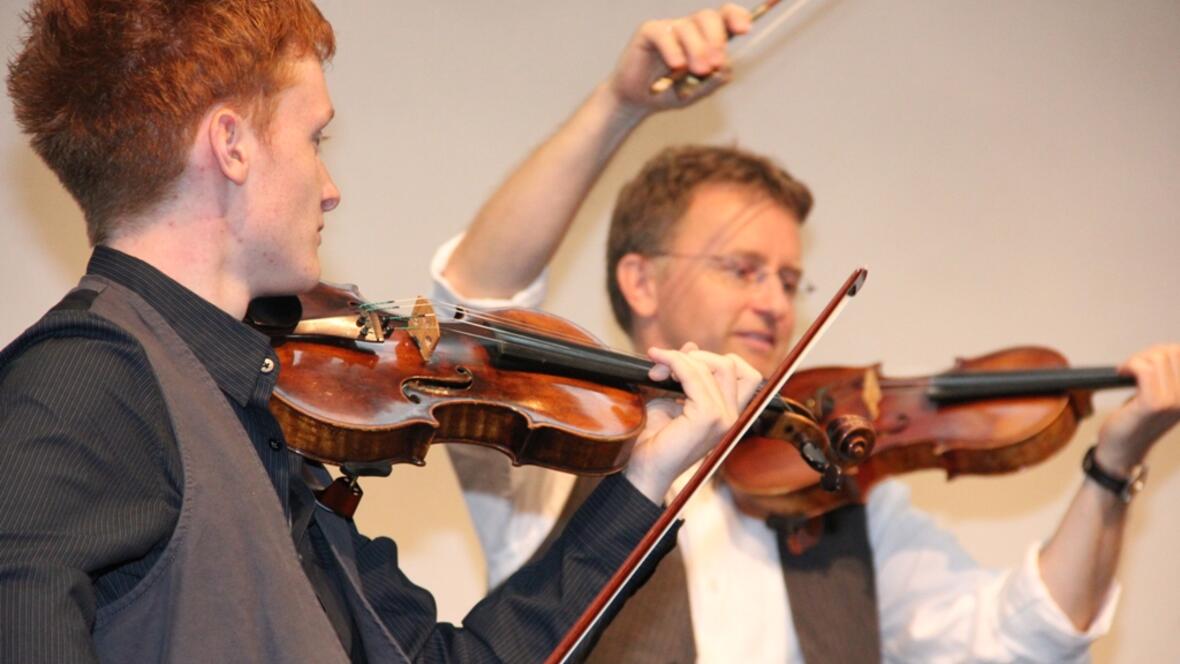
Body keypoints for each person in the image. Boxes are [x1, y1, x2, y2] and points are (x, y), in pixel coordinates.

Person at [0, 2, 766, 662]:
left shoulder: (254, 412)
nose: (331, 189)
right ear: (231, 145)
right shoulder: (82, 384)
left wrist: (643, 481)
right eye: (315, 140)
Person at [434, 8, 1180, 663]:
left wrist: (1113, 469)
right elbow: (475, 304)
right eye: (742, 269)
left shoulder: (835, 486)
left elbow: (1024, 642)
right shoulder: (558, 446)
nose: (774, 303)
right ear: (642, 281)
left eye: (789, 280)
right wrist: (618, 105)